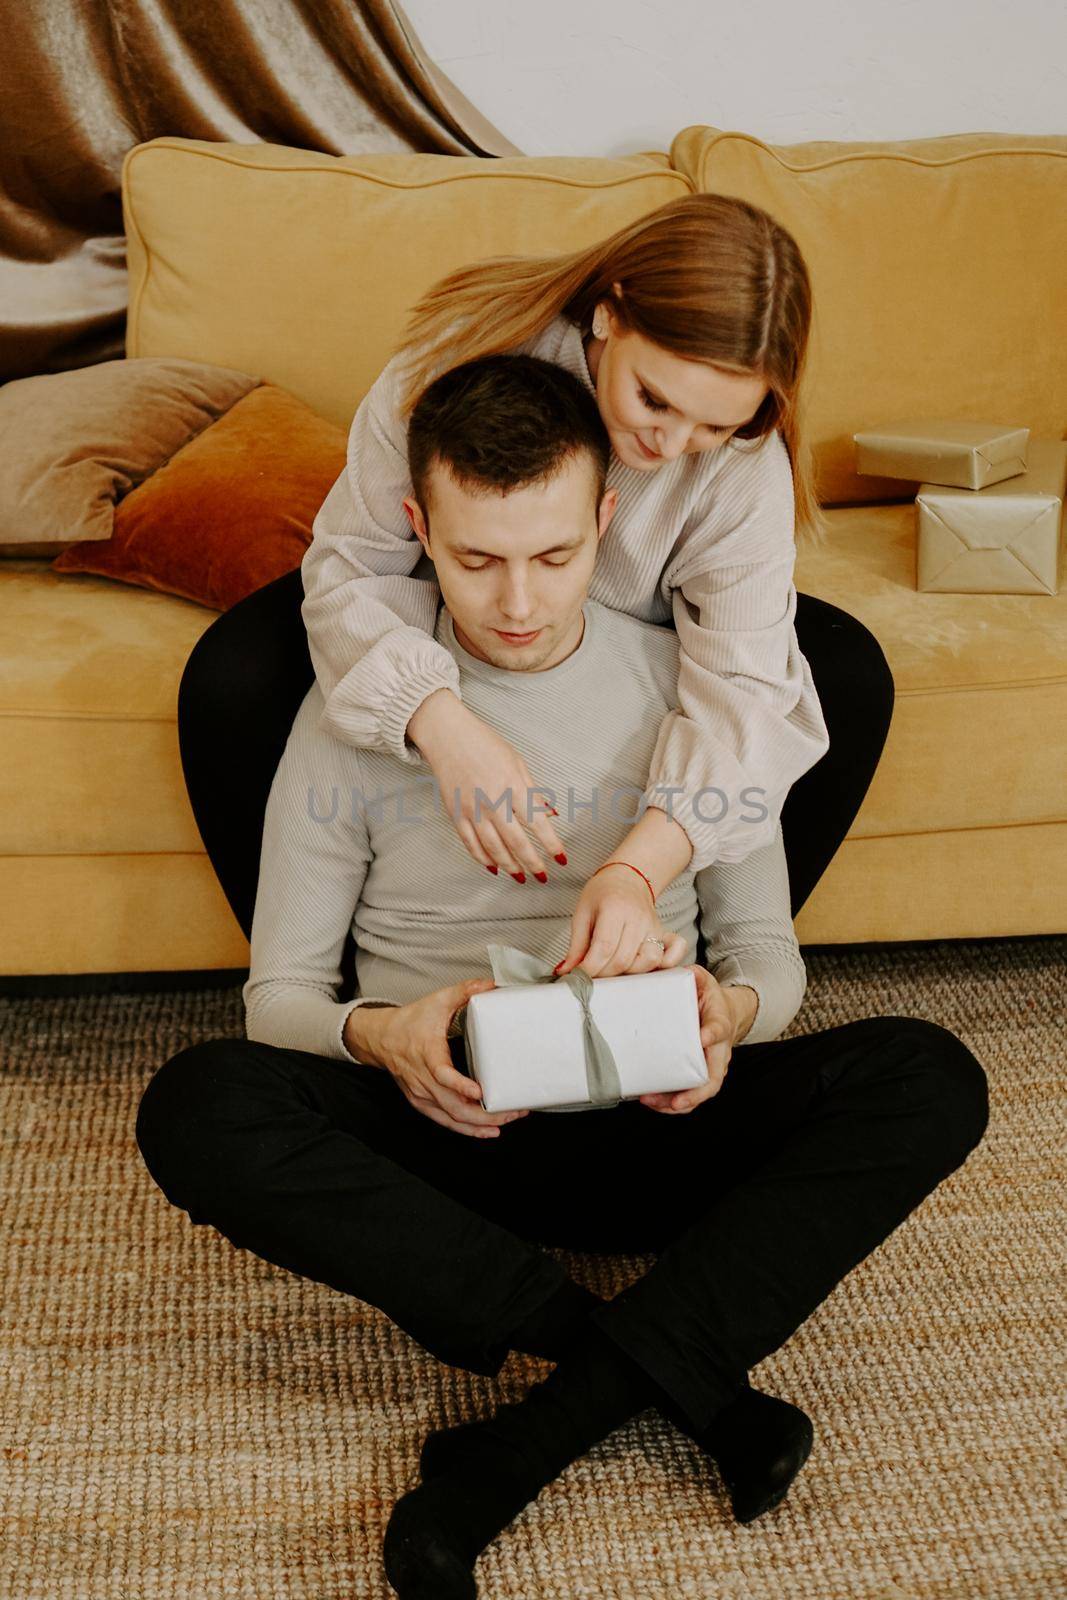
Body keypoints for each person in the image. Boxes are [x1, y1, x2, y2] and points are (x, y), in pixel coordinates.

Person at [137, 358, 989, 1600]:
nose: (517, 602)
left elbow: (766, 963)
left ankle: (518, 1447)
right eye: (475, 561)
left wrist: (726, 1016)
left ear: (604, 519)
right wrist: (384, 1036)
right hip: (451, 1136)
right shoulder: (356, 714)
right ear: (417, 529)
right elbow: (276, 1000)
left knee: (929, 1074)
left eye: (549, 555)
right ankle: (649, 1366)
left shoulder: (694, 695)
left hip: (663, 1123)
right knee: (199, 1102)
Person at [176, 192, 896, 982]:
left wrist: (638, 872)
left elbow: (745, 685)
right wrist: (440, 722)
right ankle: (330, 983)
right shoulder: (455, 355)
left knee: (844, 674)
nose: (671, 444)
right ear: (610, 314)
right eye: (653, 400)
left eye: (714, 426)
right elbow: (353, 566)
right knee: (232, 676)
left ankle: (670, 973)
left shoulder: (741, 467)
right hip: (451, 614)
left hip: (628, 644)